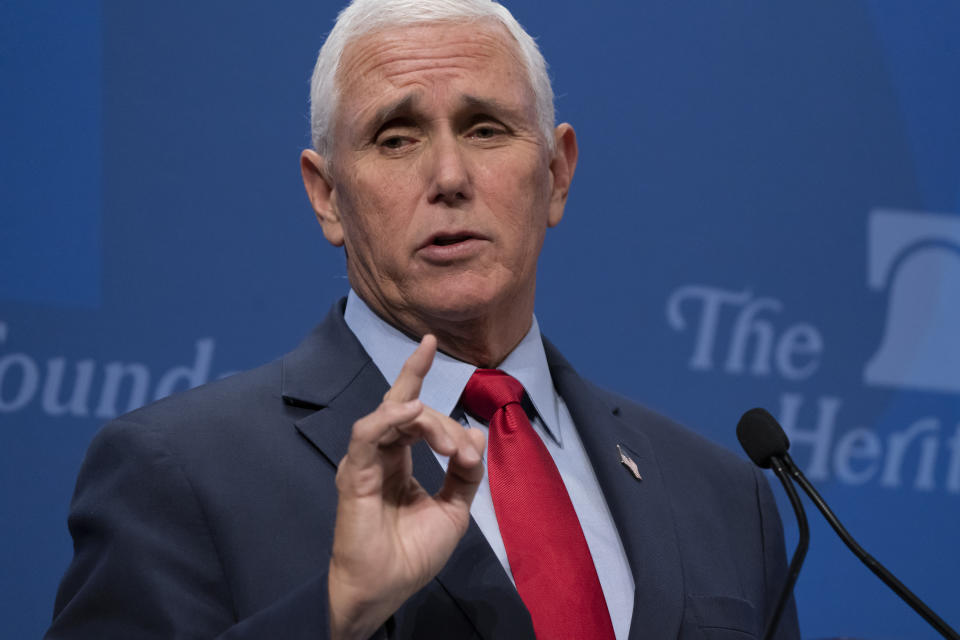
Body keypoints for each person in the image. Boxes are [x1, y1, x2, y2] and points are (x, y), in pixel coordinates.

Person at [46, 1, 800, 638]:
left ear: (556, 175)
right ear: (327, 196)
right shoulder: (176, 474)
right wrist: (336, 612)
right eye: (396, 138)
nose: (448, 177)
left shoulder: (726, 498)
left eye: (485, 129)